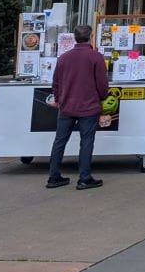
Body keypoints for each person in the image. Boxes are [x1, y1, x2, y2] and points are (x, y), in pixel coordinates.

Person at [46, 22, 110, 190]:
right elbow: (102, 84)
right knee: (87, 141)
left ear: (75, 37)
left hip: (66, 106)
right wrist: (102, 97)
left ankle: (53, 176)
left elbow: (56, 83)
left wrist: (59, 100)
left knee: (60, 141)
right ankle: (84, 177)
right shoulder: (95, 57)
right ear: (90, 37)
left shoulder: (64, 58)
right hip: (88, 106)